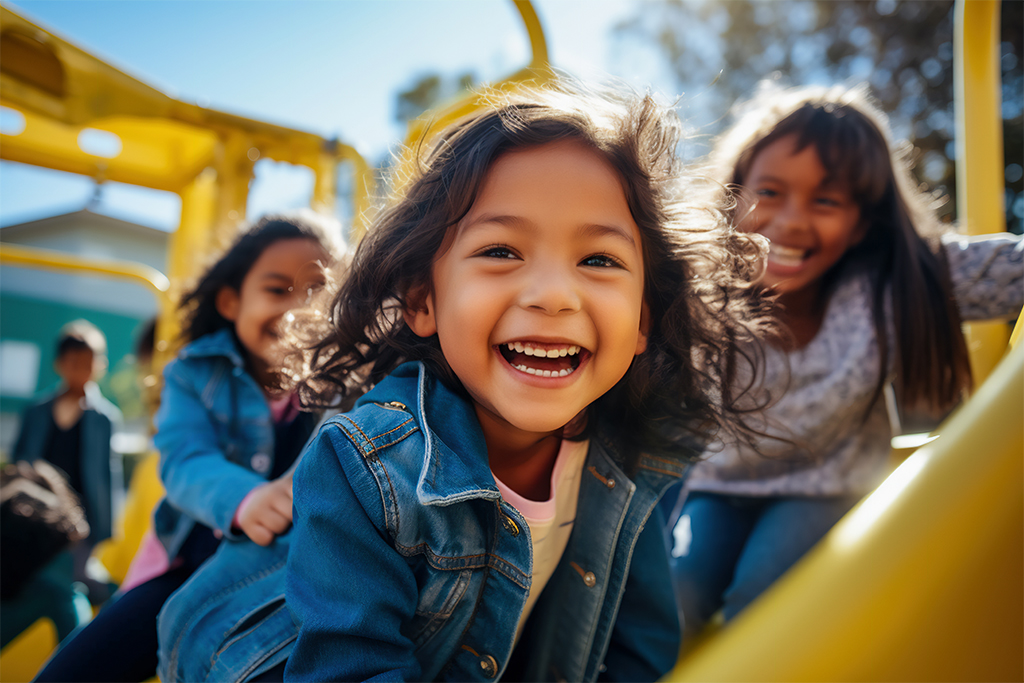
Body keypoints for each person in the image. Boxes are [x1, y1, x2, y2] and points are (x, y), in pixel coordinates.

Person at [156, 78, 775, 683]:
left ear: (643, 317)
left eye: (599, 260)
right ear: (424, 300)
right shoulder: (368, 465)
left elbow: (638, 646)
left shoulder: (630, 453)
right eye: (501, 251)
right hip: (239, 653)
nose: (554, 294)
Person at [666, 83, 1024, 642]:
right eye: (769, 191)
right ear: (734, 197)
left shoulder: (888, 287)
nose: (790, 221)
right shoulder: (701, 287)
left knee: (763, 599)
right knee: (675, 594)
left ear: (861, 223)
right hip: (720, 484)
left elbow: (1008, 270)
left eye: (826, 201)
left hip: (828, 485)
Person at [34, 211, 341, 682]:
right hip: (188, 564)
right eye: (277, 290)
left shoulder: (341, 387)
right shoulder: (195, 373)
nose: (299, 309)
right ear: (230, 300)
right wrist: (247, 498)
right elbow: (185, 459)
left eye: (319, 292)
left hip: (287, 579)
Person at [12, 319, 122, 605]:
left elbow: (108, 476)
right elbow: (19, 461)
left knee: (72, 584)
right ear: (60, 364)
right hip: (36, 514)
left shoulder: (103, 418)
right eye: (74, 363)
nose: (82, 371)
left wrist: (105, 529)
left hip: (80, 520)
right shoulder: (37, 411)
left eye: (88, 364)